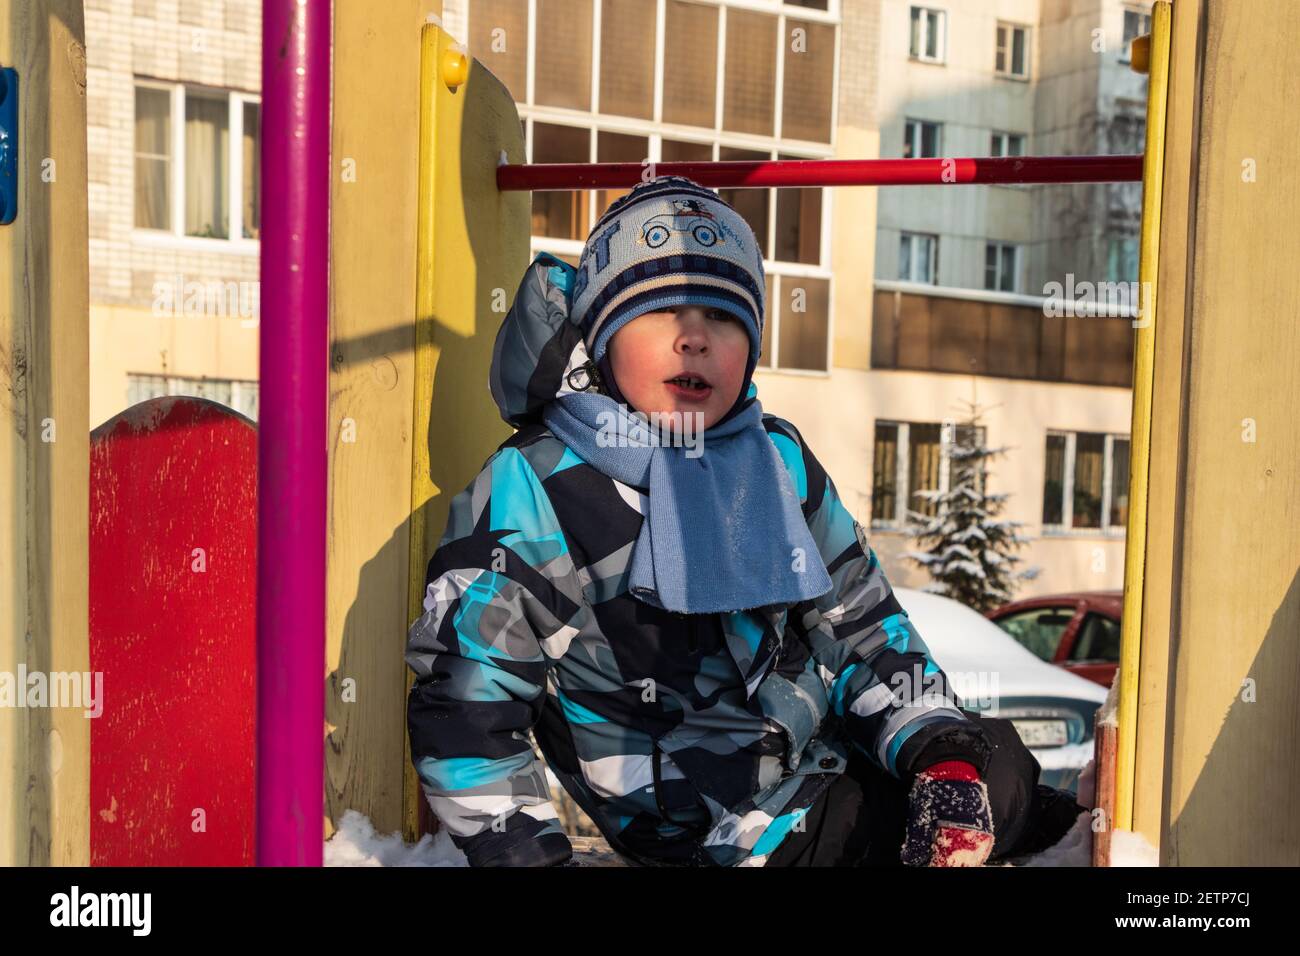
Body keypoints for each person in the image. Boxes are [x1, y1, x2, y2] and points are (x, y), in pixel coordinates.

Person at [404, 176, 1084, 867]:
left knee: (992, 761)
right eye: (661, 312)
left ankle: (1057, 836)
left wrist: (938, 753)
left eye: (723, 318)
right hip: (714, 834)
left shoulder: (774, 459)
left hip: (824, 769)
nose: (695, 338)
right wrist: (530, 858)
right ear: (602, 336)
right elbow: (469, 708)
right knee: (851, 826)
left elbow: (862, 627)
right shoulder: (535, 486)